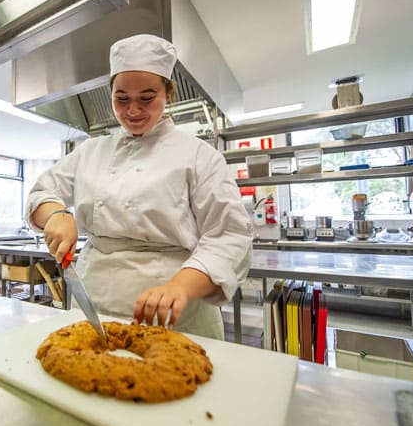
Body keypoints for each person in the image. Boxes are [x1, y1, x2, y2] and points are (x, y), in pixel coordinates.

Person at [26, 34, 253, 340]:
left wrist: (181, 286)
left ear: (168, 93)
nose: (133, 110)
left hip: (175, 319)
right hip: (94, 310)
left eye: (147, 98)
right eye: (121, 98)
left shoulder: (200, 156)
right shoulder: (90, 151)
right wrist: (56, 215)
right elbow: (42, 193)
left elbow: (230, 236)